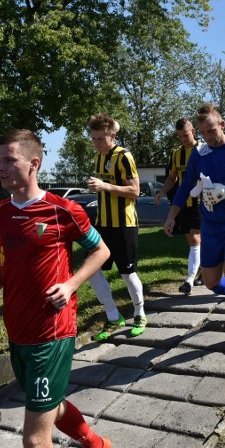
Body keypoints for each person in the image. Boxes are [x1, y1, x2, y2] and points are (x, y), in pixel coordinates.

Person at [0, 129, 112, 448]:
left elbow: (101, 250)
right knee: (51, 406)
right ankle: (97, 445)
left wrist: (72, 284)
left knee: (34, 439)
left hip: (52, 332)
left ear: (34, 164)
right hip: (18, 331)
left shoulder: (63, 210)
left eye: (9, 160)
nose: (1, 167)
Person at [163, 103, 225, 351]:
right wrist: (172, 214)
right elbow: (185, 186)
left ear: (222, 125)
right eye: (203, 132)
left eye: (211, 130)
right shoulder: (200, 154)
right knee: (210, 282)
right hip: (209, 226)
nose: (208, 136)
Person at [85, 113, 148, 341]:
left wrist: (105, 185)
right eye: (93, 138)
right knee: (91, 270)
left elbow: (135, 191)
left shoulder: (124, 156)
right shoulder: (98, 157)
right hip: (102, 223)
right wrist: (98, 188)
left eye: (100, 138)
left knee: (127, 273)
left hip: (124, 224)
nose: (96, 143)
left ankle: (140, 313)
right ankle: (113, 315)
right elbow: (104, 187)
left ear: (113, 135)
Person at [155, 118, 201, 294]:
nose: (183, 139)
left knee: (196, 237)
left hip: (202, 201)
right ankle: (200, 271)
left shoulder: (203, 149)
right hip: (183, 202)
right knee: (191, 239)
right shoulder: (176, 153)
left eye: (186, 135)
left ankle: (189, 279)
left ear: (193, 132)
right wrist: (162, 192)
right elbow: (172, 177)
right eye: (180, 136)